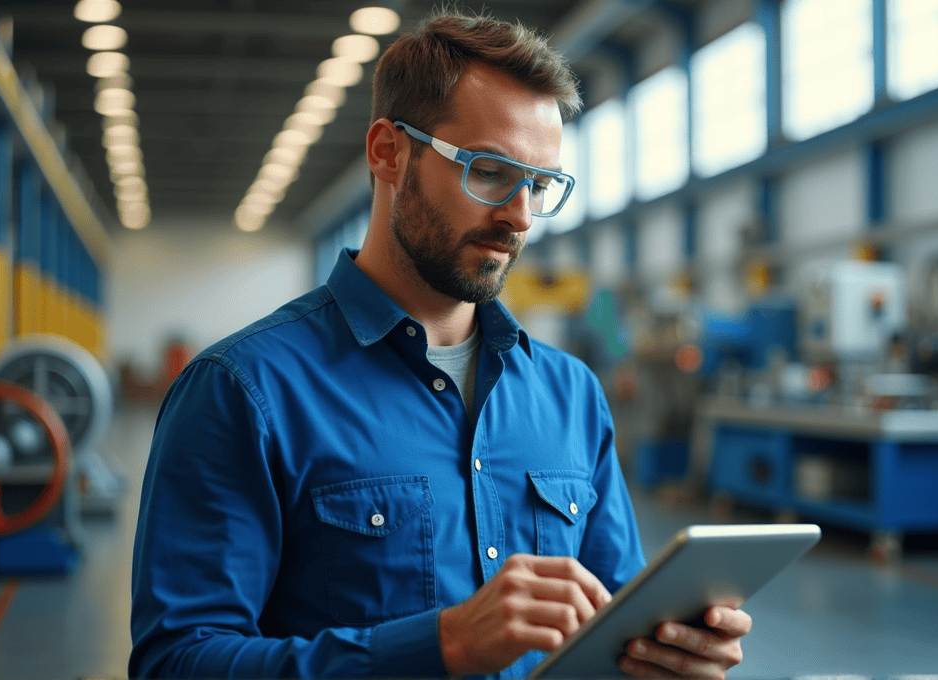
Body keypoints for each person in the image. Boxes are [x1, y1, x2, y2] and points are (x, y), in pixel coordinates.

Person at [129, 10, 751, 679]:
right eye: (489, 171)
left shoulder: (571, 397)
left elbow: (613, 624)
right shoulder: (244, 392)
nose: (517, 215)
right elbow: (177, 663)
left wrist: (670, 651)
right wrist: (440, 644)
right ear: (388, 153)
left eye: (539, 184)